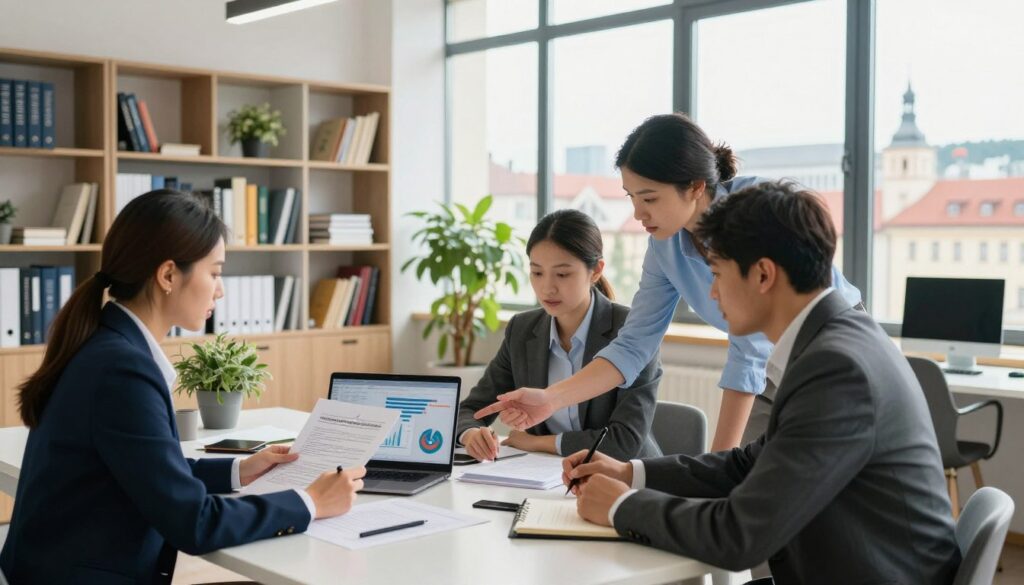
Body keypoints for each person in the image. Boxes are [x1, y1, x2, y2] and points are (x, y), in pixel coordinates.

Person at [561, 181, 960, 584]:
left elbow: (740, 535)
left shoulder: (836, 368)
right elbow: (750, 463)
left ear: (764, 274)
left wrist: (622, 507)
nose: (712, 294)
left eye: (717, 273)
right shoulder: (834, 341)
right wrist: (632, 473)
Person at [0, 190, 366, 584]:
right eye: (216, 272)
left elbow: (147, 469)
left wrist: (240, 470)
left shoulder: (104, 344)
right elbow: (193, 523)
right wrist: (310, 502)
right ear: (169, 275)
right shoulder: (122, 370)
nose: (220, 290)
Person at [475, 113, 862, 449]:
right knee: (748, 481)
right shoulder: (665, 246)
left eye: (650, 198)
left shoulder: (752, 212)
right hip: (769, 366)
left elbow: (749, 349)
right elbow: (633, 345)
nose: (638, 213)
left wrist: (715, 472)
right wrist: (551, 398)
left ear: (694, 187)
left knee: (756, 484)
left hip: (828, 347)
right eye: (631, 197)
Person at [457, 209, 662, 462]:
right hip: (545, 477)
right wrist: (471, 434)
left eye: (563, 274)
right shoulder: (522, 329)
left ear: (596, 270)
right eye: (537, 272)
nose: (547, 288)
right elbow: (470, 410)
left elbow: (624, 442)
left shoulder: (632, 331)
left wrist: (537, 443)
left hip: (625, 477)